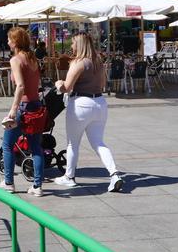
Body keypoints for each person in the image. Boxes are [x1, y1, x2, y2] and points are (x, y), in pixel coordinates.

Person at [53, 33, 124, 192]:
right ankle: (114, 174)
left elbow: (67, 88)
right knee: (99, 143)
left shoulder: (78, 63)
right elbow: (103, 84)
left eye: (73, 44)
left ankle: (69, 177)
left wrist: (59, 83)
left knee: (73, 143)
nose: (71, 47)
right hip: (99, 103)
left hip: (80, 105)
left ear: (79, 45)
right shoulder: (98, 62)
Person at [0, 27, 44, 196]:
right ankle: (37, 186)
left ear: (15, 42)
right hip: (36, 105)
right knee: (35, 147)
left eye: (9, 39)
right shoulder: (33, 59)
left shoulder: (16, 60)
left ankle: (9, 182)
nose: (8, 42)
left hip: (23, 107)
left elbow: (21, 86)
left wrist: (13, 110)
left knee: (7, 145)